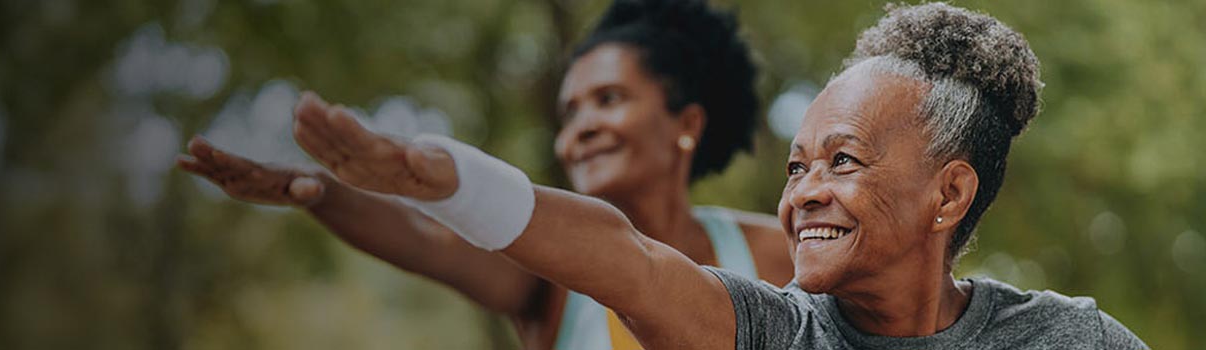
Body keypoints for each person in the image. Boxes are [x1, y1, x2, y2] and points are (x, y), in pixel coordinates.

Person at [286, 3, 1148, 349]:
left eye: (841, 162)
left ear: (948, 195)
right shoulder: (772, 330)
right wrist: (443, 179)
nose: (804, 189)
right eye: (796, 164)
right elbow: (624, 259)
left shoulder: (1066, 338)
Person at [176, 0, 790, 348]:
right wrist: (320, 194)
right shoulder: (551, 281)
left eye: (608, 99)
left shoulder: (773, 252)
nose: (580, 129)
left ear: (686, 122)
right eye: (569, 112)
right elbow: (426, 241)